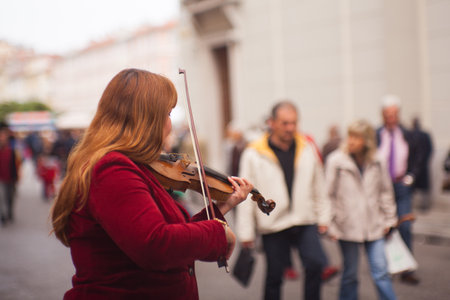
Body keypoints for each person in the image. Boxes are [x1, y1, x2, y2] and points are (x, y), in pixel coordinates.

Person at [51, 68, 254, 299]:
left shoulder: (131, 165)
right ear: (146, 119)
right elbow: (155, 245)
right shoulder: (113, 170)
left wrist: (221, 208)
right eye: (167, 114)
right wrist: (218, 232)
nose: (169, 125)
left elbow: (173, 233)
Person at [236, 101, 331, 300]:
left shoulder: (307, 147)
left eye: (294, 123)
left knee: (315, 264)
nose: (290, 128)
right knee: (274, 276)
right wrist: (246, 232)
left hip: (304, 218)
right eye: (285, 123)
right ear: (271, 122)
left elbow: (318, 185)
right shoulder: (253, 153)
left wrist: (324, 217)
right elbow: (245, 196)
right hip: (273, 222)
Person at [326, 119, 397, 300]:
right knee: (350, 275)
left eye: (356, 137)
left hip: (375, 224)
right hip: (346, 225)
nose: (351, 141)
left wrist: (390, 219)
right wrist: (330, 224)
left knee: (381, 272)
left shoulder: (378, 160)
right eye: (350, 136)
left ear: (367, 141)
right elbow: (328, 195)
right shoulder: (336, 160)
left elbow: (385, 192)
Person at [376, 94, 422, 285]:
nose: (391, 118)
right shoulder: (376, 134)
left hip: (401, 184)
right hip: (381, 186)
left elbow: (418, 157)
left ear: (398, 114)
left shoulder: (408, 134)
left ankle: (407, 268)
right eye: (387, 114)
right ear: (382, 115)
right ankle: (387, 265)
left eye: (394, 114)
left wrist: (411, 176)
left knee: (405, 225)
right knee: (384, 227)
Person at [410, 117, 433, 211]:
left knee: (422, 186)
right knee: (413, 185)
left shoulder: (423, 134)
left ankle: (423, 204)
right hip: (417, 163)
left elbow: (429, 148)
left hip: (421, 163)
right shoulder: (411, 134)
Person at [0, 125, 19, 225]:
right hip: (1, 179)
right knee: (2, 197)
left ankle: (9, 213)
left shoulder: (11, 151)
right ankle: (3, 216)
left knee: (10, 198)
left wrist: (16, 177)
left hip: (10, 178)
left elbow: (15, 165)